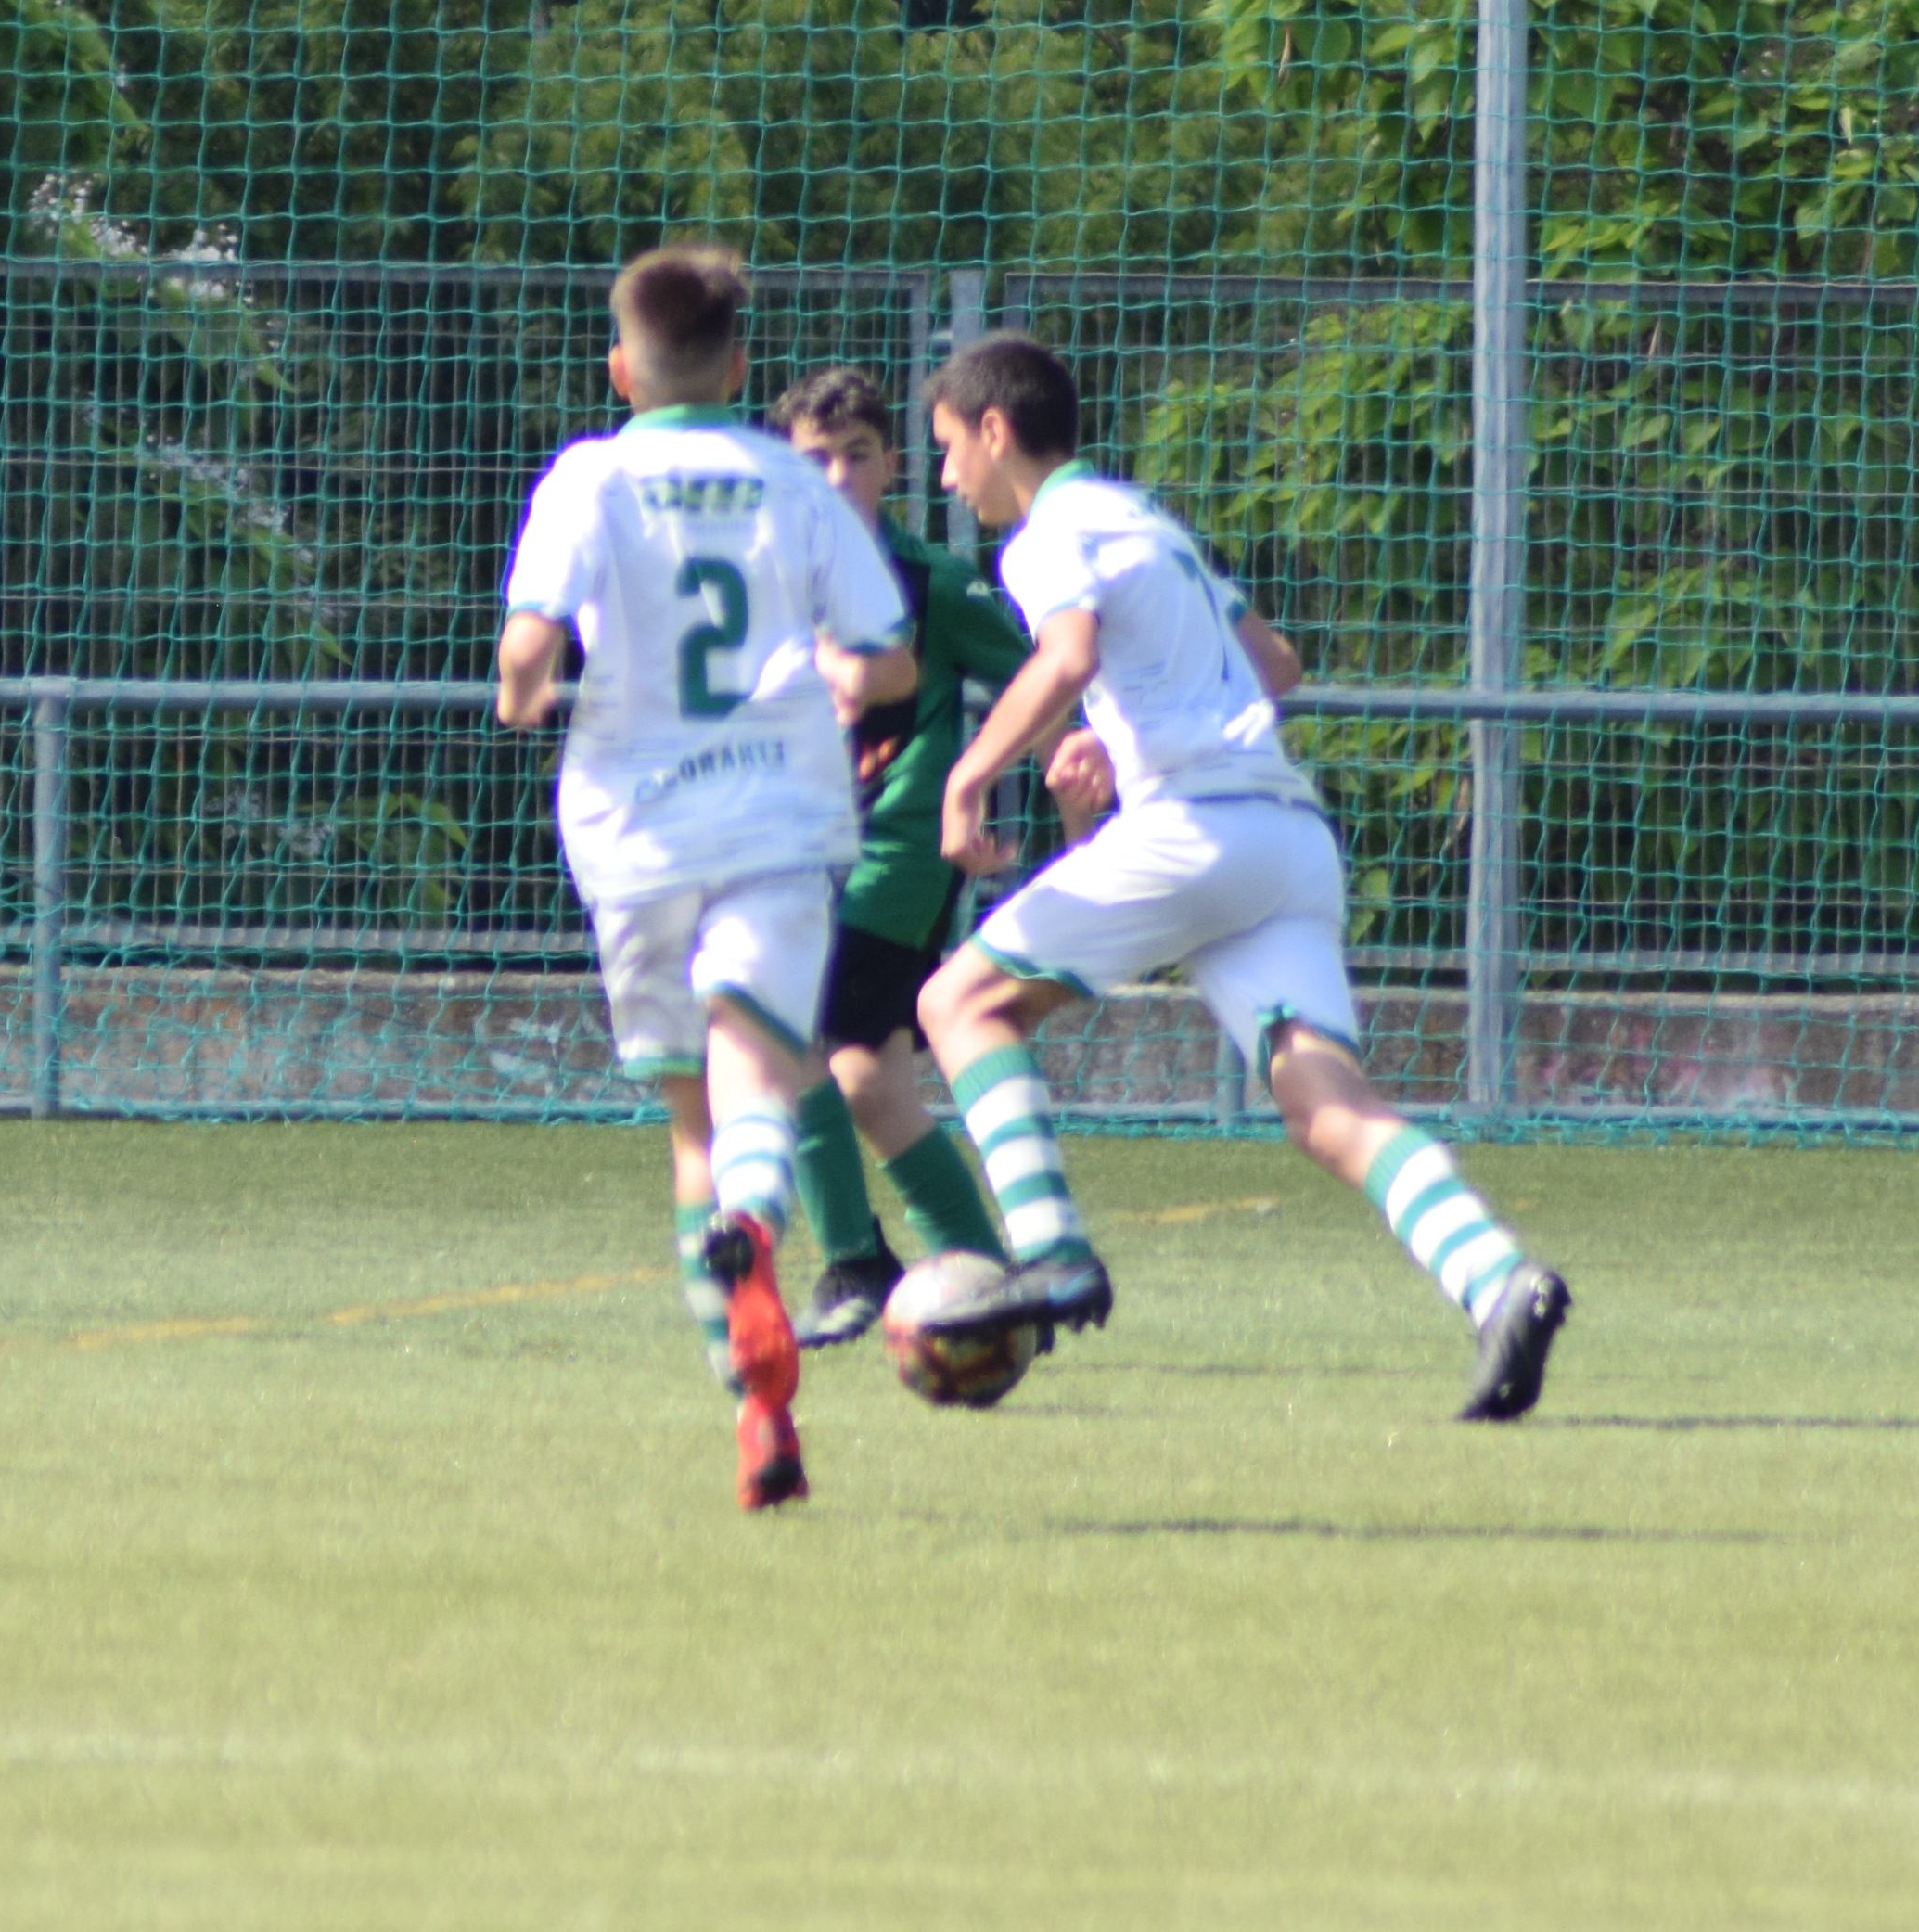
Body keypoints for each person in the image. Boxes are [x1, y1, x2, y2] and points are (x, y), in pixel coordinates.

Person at [913, 333, 1572, 1422]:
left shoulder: (1049, 534)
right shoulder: (1144, 520)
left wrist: (973, 775)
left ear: (995, 430)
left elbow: (1068, 655)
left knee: (958, 999)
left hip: (1198, 830)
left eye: (948, 447)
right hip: (1286, 836)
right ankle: (1500, 1279)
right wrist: (1115, 741)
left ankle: (1049, 1252)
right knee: (1326, 1106)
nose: (947, 476)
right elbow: (1274, 664)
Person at [495, 247, 916, 1510]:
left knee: (691, 1114)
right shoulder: (791, 481)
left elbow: (530, 649)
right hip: (780, 817)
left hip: (633, 828)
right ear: (741, 369)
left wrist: (526, 694)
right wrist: (849, 679)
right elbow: (887, 656)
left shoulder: (590, 475)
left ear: (622, 367)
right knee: (755, 1062)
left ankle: (755, 1407)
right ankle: (757, 1217)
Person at [759, 367, 1034, 1346]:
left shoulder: (937, 584)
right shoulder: (762, 583)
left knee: (795, 1039)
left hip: (897, 855)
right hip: (790, 851)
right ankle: (992, 1279)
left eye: (857, 455)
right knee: (866, 1081)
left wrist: (1058, 762)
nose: (834, 477)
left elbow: (1042, 681)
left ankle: (856, 1264)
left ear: (894, 466)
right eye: (812, 460)